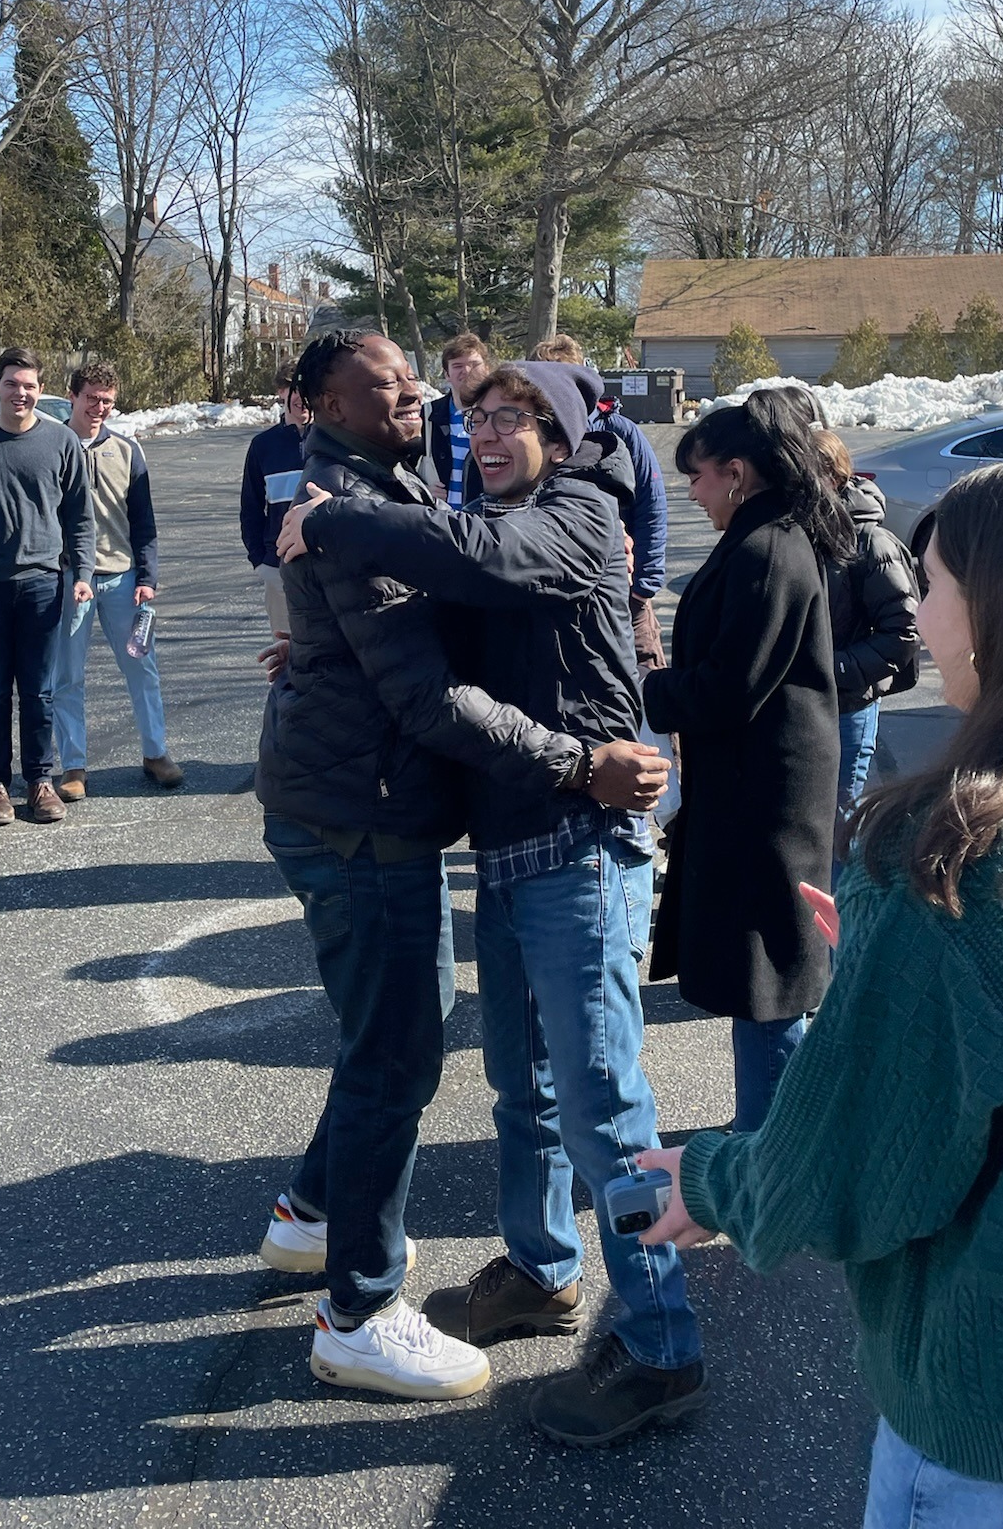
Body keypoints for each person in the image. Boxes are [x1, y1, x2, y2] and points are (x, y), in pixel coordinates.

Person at [638, 455, 1003, 1522]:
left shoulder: (965, 862)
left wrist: (712, 1181)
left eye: (934, 586)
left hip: (998, 1437)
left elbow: (852, 1172)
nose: (920, 617)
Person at [280, 359, 700, 1446]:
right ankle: (544, 1269)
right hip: (512, 846)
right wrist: (320, 652)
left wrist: (330, 521)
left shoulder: (576, 512)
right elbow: (438, 632)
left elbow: (476, 557)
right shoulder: (492, 515)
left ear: (561, 435)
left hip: (582, 842)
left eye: (516, 415)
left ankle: (662, 1343)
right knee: (526, 1088)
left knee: (606, 1106)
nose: (490, 431)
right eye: (480, 415)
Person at [643, 391, 851, 1131]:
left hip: (765, 799)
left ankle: (772, 1146)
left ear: (735, 472)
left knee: (768, 976)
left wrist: (646, 689)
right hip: (762, 786)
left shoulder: (767, 549)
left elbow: (730, 688)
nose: (692, 493)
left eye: (697, 476)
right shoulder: (770, 535)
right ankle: (777, 1135)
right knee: (764, 970)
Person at [0, 347, 95, 827]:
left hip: (43, 584)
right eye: (11, 384)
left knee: (39, 692)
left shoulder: (62, 441)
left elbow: (80, 516)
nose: (19, 393)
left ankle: (39, 781)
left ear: (40, 391)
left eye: (28, 385)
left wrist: (83, 573)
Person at [51, 361, 181, 800]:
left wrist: (148, 575)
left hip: (123, 578)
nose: (99, 407)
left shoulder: (127, 450)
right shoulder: (52, 445)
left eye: (107, 400)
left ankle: (155, 752)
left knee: (142, 668)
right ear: (72, 396)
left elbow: (143, 520)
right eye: (91, 398)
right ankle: (73, 766)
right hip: (70, 580)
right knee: (66, 676)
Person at [813, 429, 919, 879]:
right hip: (806, 705)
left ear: (833, 477)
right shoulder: (800, 534)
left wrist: (831, 671)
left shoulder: (871, 543)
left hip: (849, 707)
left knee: (839, 827)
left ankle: (843, 918)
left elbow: (903, 632)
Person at [529, 335, 668, 669]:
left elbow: (652, 506)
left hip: (626, 590)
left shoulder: (620, 431)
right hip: (553, 592)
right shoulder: (528, 438)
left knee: (644, 676)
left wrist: (643, 587)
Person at [239, 359, 309, 637]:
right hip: (279, 567)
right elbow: (251, 508)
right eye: (294, 389)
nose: (302, 398)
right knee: (286, 648)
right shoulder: (263, 446)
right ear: (281, 392)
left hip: (329, 568)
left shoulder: (334, 439)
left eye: (308, 389)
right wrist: (261, 561)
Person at [421, 331, 491, 509]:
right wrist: (420, 489)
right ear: (447, 374)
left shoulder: (500, 416)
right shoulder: (427, 415)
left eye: (474, 364)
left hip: (484, 518)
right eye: (458, 365)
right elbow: (400, 465)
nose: (466, 371)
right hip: (440, 518)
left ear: (487, 369)